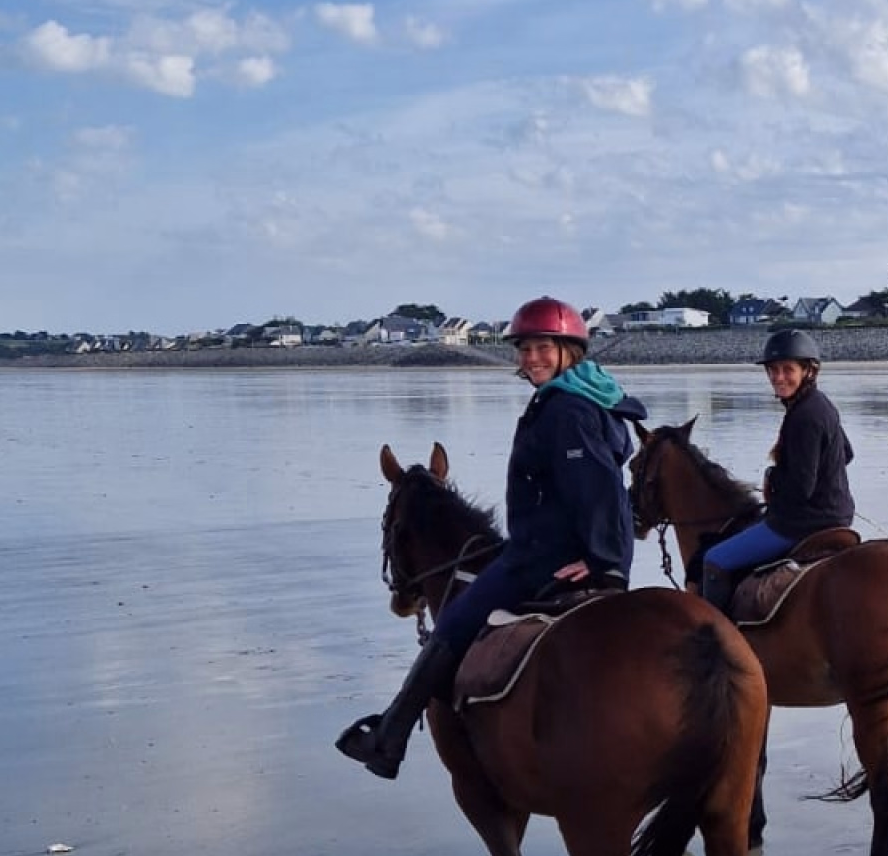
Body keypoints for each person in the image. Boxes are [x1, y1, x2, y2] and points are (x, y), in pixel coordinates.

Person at [335, 297, 642, 779]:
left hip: (540, 558)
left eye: (544, 348)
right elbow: (607, 493)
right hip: (557, 547)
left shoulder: (565, 410)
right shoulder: (594, 397)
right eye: (524, 349)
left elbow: (598, 488)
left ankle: (388, 740)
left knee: (452, 625)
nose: (532, 358)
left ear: (570, 351)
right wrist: (611, 558)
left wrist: (603, 563)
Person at [699, 327, 855, 615]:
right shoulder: (820, 405)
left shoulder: (804, 416)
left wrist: (775, 480)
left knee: (714, 560)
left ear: (808, 371)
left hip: (803, 523)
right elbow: (846, 453)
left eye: (787, 370)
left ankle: (717, 642)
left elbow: (800, 489)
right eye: (772, 370)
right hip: (838, 515)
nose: (778, 377)